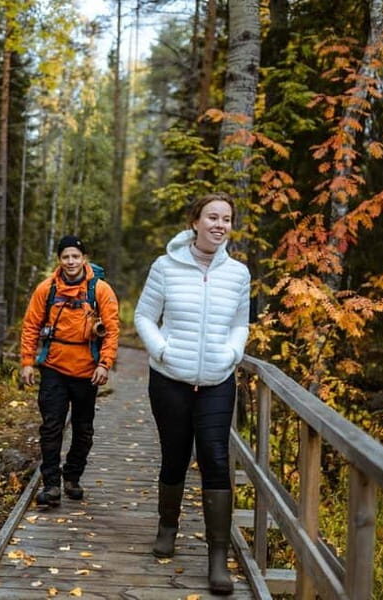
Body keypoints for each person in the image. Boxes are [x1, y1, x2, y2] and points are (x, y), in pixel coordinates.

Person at [134, 192, 250, 595]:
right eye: (212, 217)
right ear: (195, 222)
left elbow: (240, 324)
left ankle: (218, 557)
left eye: (226, 219)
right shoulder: (165, 267)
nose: (220, 225)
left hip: (217, 380)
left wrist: (233, 353)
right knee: (176, 454)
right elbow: (144, 316)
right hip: (170, 379)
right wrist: (162, 350)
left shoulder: (238, 274)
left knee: (216, 459)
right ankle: (168, 527)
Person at [21, 235, 120, 507]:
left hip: (88, 369)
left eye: (75, 256)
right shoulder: (47, 289)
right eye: (66, 257)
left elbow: (111, 331)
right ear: (59, 260)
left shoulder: (100, 290)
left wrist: (105, 364)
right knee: (51, 427)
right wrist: (27, 361)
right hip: (53, 367)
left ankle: (72, 477)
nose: (71, 261)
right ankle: (51, 485)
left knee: (83, 429)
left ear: (84, 258)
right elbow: (31, 325)